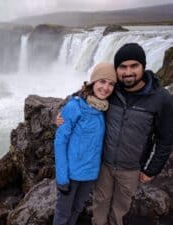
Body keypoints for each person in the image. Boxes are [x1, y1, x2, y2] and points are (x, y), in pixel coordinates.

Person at [56, 43, 173, 225]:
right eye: (123, 67)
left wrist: (152, 169)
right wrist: (62, 114)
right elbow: (89, 91)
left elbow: (166, 138)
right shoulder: (114, 90)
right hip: (104, 165)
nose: (128, 72)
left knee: (120, 209)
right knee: (99, 205)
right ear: (117, 69)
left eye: (134, 66)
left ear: (143, 66)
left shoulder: (161, 98)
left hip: (131, 168)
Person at [53, 62, 117, 225]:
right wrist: (62, 177)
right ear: (93, 82)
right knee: (62, 213)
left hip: (90, 173)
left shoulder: (104, 109)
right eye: (102, 81)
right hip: (71, 174)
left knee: (77, 209)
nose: (106, 88)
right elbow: (60, 142)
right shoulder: (75, 106)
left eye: (111, 84)